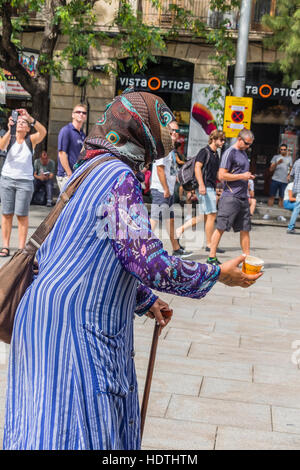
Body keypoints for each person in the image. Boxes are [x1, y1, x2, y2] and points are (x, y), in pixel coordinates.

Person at [3, 90, 262, 451]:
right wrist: (218, 274)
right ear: (139, 127)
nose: (172, 131)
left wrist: (144, 300)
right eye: (164, 121)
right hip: (74, 329)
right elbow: (151, 263)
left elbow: (96, 250)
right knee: (78, 434)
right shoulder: (118, 177)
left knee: (45, 430)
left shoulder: (90, 169)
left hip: (43, 320)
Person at [0, 109, 47, 257]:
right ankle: (5, 246)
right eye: (18, 121)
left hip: (24, 182)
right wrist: (10, 129)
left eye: (23, 123)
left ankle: (21, 248)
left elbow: (43, 132)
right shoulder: (10, 138)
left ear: (27, 128)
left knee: (22, 215)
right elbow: (1, 146)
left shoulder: (30, 140)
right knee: (7, 214)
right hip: (7, 179)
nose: (20, 124)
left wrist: (30, 118)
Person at [207, 128, 255, 266]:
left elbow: (241, 172)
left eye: (250, 144)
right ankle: (211, 257)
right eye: (246, 143)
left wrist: (247, 179)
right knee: (221, 227)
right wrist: (242, 176)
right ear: (239, 139)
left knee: (245, 229)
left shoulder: (244, 153)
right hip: (230, 196)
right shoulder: (230, 152)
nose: (248, 146)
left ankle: (247, 258)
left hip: (243, 197)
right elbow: (221, 175)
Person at [150, 120, 192, 258]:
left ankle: (176, 248)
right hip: (161, 190)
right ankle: (143, 245)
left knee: (170, 220)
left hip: (167, 189)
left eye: (176, 131)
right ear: (166, 132)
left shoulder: (171, 149)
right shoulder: (163, 148)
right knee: (155, 219)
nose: (174, 133)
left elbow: (170, 171)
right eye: (172, 130)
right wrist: (166, 189)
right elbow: (160, 169)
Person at [195, 129, 226, 252]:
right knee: (212, 215)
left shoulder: (215, 154)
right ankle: (210, 244)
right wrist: (201, 184)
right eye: (221, 139)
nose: (223, 142)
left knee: (207, 216)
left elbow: (216, 174)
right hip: (205, 187)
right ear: (213, 139)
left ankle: (180, 230)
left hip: (210, 187)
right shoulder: (204, 151)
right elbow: (197, 167)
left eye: (224, 140)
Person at [56, 103, 87, 191]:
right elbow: (62, 154)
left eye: (84, 113)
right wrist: (69, 174)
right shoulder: (66, 131)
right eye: (78, 112)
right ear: (73, 115)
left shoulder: (82, 134)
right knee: (66, 203)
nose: (81, 114)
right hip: (66, 176)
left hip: (77, 176)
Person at [267, 144, 292, 209]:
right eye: (281, 149)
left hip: (284, 181)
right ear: (279, 150)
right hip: (275, 179)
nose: (283, 151)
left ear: (286, 150)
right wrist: (277, 163)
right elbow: (270, 169)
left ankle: (280, 215)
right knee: (271, 196)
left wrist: (289, 175)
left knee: (282, 198)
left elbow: (291, 168)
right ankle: (268, 214)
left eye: (284, 149)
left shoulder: (289, 158)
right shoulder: (276, 157)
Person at [287, 157, 300, 234]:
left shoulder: (297, 162)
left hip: (297, 189)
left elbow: (291, 175)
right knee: (297, 208)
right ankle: (290, 227)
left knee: (297, 208)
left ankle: (290, 227)